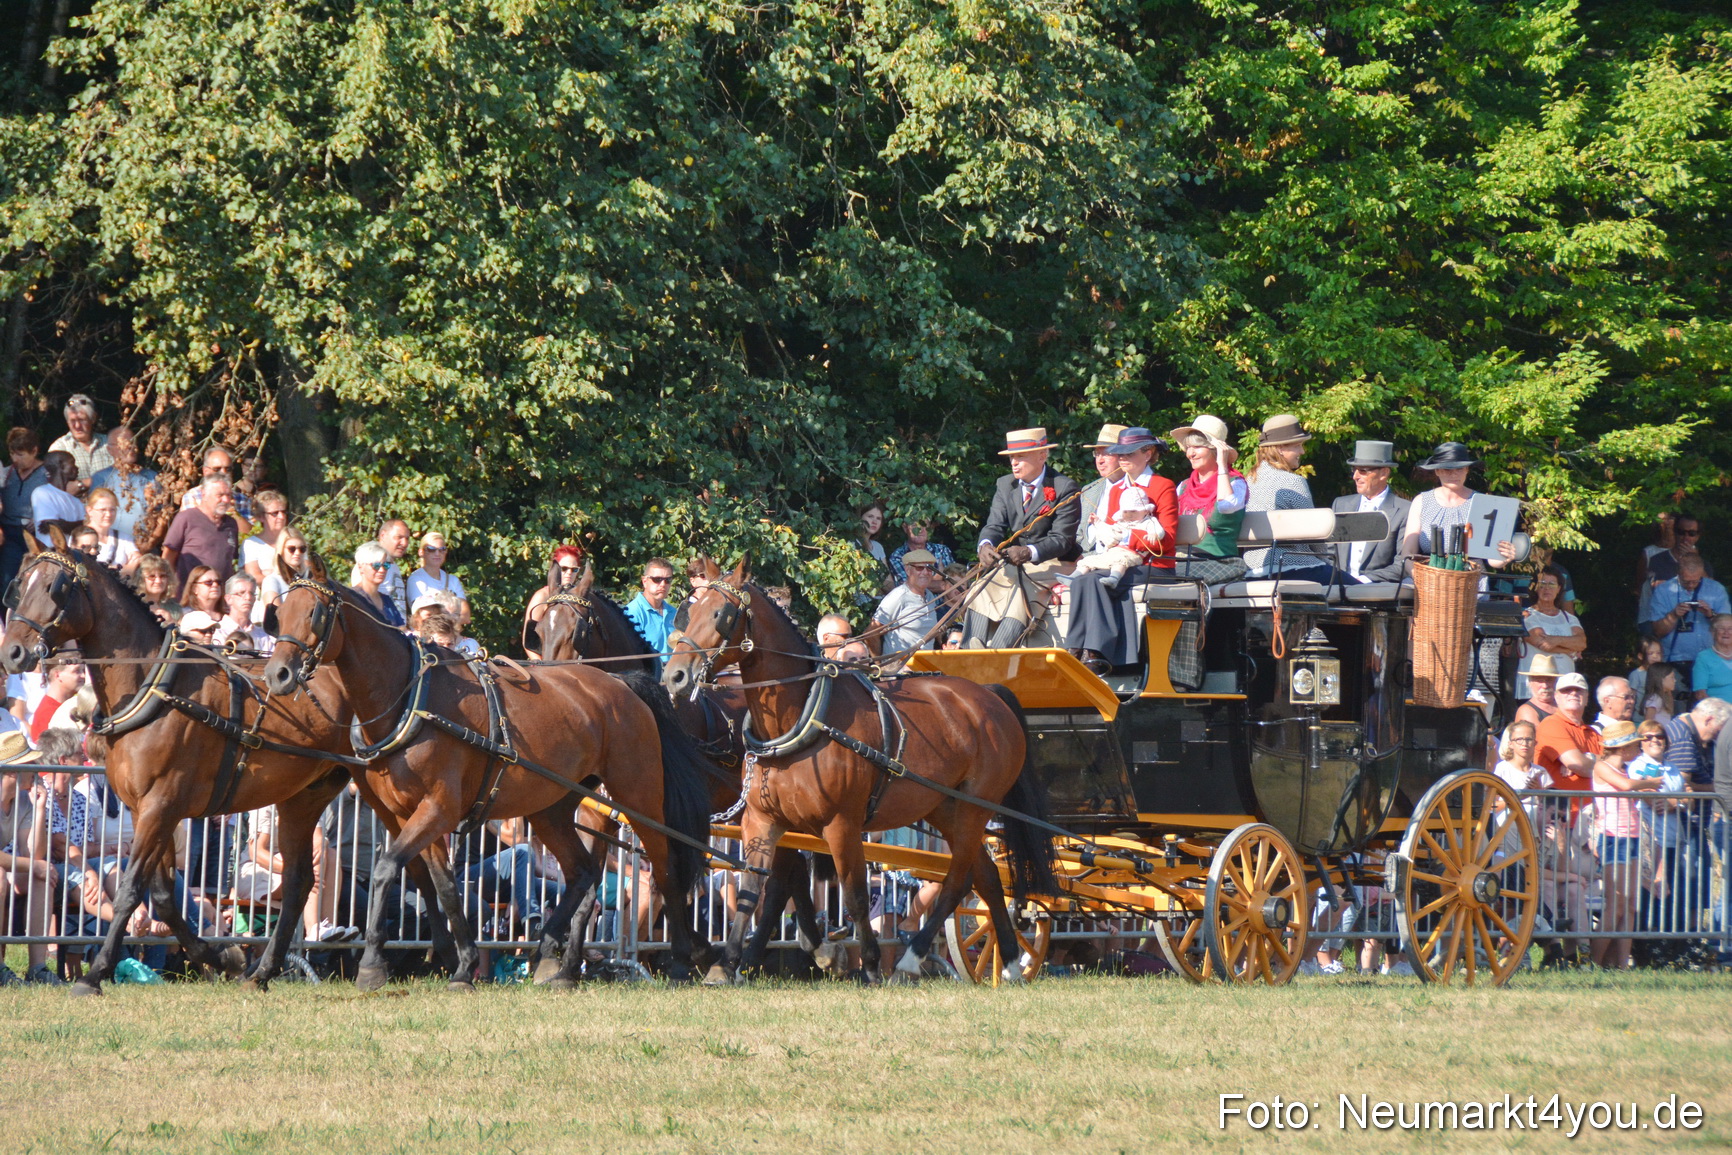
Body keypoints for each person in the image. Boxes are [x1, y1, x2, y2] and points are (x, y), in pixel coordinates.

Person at [1064, 427, 1180, 673]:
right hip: (1119, 560)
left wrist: (1127, 537)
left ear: (1147, 454)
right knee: (1081, 580)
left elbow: (1167, 539)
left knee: (1094, 580)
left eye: (1129, 453)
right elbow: (1111, 533)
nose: (1122, 458)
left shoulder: (1163, 486)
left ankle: (1096, 652)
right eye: (1120, 453)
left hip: (1155, 565)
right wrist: (1104, 531)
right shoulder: (1117, 489)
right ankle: (1075, 648)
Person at [965, 428, 1081, 649]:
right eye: (1011, 457)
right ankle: (972, 647)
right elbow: (994, 525)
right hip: (1017, 562)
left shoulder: (1065, 487)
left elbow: (1062, 539)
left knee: (1022, 587)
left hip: (1057, 562)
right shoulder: (1005, 484)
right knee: (982, 583)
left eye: (1020, 456)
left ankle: (999, 650)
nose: (1014, 463)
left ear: (1042, 455)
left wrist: (1029, 552)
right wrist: (985, 545)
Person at [1590, 721, 1662, 970]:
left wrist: (1647, 785)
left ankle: (1621, 966)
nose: (1639, 749)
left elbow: (1631, 788)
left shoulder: (1625, 770)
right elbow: (1626, 787)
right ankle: (1593, 963)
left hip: (1631, 837)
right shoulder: (1602, 766)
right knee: (1616, 904)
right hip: (1613, 838)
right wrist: (1651, 782)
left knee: (1630, 905)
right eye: (1635, 745)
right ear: (1622, 748)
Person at [1242, 415, 1336, 581]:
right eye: (1297, 446)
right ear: (1280, 448)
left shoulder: (1247, 481)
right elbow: (1314, 534)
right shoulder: (1293, 482)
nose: (1302, 451)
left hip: (1253, 570)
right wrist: (1327, 563)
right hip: (1294, 566)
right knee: (1356, 589)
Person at [1399, 442, 1518, 569]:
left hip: (1471, 576)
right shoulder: (1421, 501)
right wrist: (1416, 575)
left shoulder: (1482, 503)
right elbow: (1408, 553)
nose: (1454, 474)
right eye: (1447, 470)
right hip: (1430, 575)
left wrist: (1504, 556)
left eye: (1459, 469)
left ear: (1467, 470)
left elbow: (1492, 559)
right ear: (1437, 471)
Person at [1166, 415, 1249, 584]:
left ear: (1215, 450)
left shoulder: (1236, 483)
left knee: (1174, 577)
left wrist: (1222, 465)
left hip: (1220, 561)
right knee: (1149, 573)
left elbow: (1226, 505)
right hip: (1182, 558)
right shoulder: (1183, 486)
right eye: (1188, 447)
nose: (1190, 453)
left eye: (1197, 447)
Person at [1643, 552, 1731, 688]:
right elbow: (1658, 632)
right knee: (1677, 699)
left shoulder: (1716, 589)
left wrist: (1710, 614)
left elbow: (1728, 628)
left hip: (1711, 659)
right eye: (1686, 581)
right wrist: (1673, 615)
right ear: (1678, 573)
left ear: (1702, 573)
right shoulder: (1663, 591)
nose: (1691, 585)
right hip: (1676, 660)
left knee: (1709, 700)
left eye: (1695, 581)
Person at [1330, 441, 1412, 585]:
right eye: (1354, 470)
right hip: (1337, 587)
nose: (1355, 476)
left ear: (1384, 473)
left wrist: (1363, 581)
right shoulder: (1340, 505)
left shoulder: (1405, 510)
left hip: (1378, 590)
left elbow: (1403, 563)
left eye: (1363, 471)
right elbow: (1328, 553)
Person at [1068, 486, 1163, 590]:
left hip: (1132, 553)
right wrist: (1097, 522)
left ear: (1145, 511)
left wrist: (1154, 534)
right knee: (1089, 560)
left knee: (1120, 561)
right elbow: (1110, 531)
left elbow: (1160, 531)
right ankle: (1072, 578)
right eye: (1125, 512)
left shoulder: (1148, 521)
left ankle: (1114, 578)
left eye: (1133, 511)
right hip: (1113, 552)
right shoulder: (1121, 523)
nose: (1129, 515)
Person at [1517, 566, 1583, 698]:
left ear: (1559, 588)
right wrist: (1571, 650)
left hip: (1564, 688)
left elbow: (1581, 643)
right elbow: (1543, 644)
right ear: (1535, 588)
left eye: (1552, 584)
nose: (1547, 588)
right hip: (1535, 690)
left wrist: (1555, 640)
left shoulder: (1569, 618)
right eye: (1542, 583)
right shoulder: (1527, 616)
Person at [160, 476, 242, 584]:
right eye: (220, 495)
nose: (226, 500)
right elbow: (168, 556)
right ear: (204, 495)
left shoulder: (231, 524)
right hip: (189, 591)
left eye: (228, 495)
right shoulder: (186, 518)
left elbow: (230, 560)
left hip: (220, 591)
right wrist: (171, 586)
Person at [1534, 672, 1600, 795]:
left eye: (1579, 690)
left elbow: (1616, 764)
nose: (1573, 693)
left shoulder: (1593, 733)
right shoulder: (1551, 724)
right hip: (1559, 806)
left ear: (1587, 697)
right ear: (1556, 697)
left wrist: (1588, 757)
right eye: (1566, 690)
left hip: (1595, 806)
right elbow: (1578, 764)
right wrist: (1603, 768)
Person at [872, 548, 942, 661]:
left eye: (929, 568)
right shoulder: (897, 597)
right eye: (919, 568)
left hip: (925, 667)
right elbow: (871, 633)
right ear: (908, 570)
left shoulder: (929, 596)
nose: (925, 572)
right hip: (900, 669)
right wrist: (878, 665)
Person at [89, 425, 157, 541]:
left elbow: (162, 516)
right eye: (123, 443)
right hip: (113, 545)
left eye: (132, 442)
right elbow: (94, 517)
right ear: (110, 450)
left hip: (145, 544)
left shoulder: (151, 477)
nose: (130, 447)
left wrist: (150, 543)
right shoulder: (101, 478)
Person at [0, 427, 48, 592]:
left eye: (20, 455)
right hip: (10, 533)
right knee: (7, 581)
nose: (15, 459)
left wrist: (41, 516)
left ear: (34, 451)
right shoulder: (6, 473)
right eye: (12, 454)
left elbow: (57, 500)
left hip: (35, 535)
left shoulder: (47, 475)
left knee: (34, 582)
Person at [1075, 423, 1127, 557]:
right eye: (1097, 454)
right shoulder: (1089, 490)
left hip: (1119, 560)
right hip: (1083, 558)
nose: (1100, 460)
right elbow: (1079, 533)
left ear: (1124, 456)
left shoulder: (1137, 490)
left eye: (1107, 454)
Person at [522, 545, 583, 660]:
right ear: (555, 569)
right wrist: (540, 664)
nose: (569, 573)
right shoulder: (542, 596)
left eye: (574, 569)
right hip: (544, 663)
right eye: (564, 568)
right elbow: (528, 639)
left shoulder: (580, 599)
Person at [48, 394, 111, 497]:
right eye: (72, 421)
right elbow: (56, 490)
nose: (77, 426)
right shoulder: (59, 448)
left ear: (93, 418)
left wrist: (81, 484)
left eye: (82, 420)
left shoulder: (109, 443)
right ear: (67, 422)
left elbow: (123, 477)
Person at [1662, 697, 1730, 793]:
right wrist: (1718, 788)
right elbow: (1682, 786)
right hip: (1697, 802)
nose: (1718, 737)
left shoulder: (1681, 728)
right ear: (1709, 720)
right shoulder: (1683, 739)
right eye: (1718, 732)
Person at [622, 558, 679, 671]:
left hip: (674, 675)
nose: (663, 584)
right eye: (657, 579)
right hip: (648, 676)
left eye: (668, 580)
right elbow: (631, 656)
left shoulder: (674, 613)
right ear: (644, 581)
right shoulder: (631, 613)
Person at [176, 446, 254, 528]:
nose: (223, 473)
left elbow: (254, 533)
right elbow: (193, 530)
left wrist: (233, 513)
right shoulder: (193, 496)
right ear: (205, 471)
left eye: (228, 469)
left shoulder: (242, 500)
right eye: (217, 469)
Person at [407, 531, 471, 627]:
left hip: (451, 635)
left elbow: (466, 616)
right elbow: (422, 617)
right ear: (421, 552)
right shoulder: (416, 579)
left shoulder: (453, 580)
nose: (437, 553)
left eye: (442, 549)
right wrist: (452, 618)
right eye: (431, 549)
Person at [30, 451, 85, 546]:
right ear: (61, 466)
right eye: (72, 463)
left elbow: (85, 528)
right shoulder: (42, 492)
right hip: (51, 552)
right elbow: (52, 527)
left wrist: (61, 524)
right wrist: (79, 524)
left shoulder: (76, 501)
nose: (77, 468)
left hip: (73, 553)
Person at [82, 487, 140, 576]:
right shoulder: (80, 537)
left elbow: (138, 559)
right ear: (89, 510)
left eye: (112, 510)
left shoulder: (124, 538)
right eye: (103, 510)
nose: (108, 514)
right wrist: (127, 569)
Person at [240, 490, 290, 588]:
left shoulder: (293, 540)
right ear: (261, 517)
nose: (282, 516)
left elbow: (304, 571)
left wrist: (268, 574)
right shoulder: (251, 544)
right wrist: (283, 576)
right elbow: (253, 578)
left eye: (284, 512)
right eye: (275, 513)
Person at [350, 541, 407, 628]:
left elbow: (401, 629)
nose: (382, 570)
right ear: (361, 567)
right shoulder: (353, 598)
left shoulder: (387, 600)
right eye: (376, 565)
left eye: (386, 565)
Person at [29, 658, 85, 744]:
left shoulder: (76, 702)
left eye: (83, 670)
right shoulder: (46, 713)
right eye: (77, 671)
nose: (83, 676)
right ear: (58, 675)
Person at [213, 574, 272, 653]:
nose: (248, 597)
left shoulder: (262, 634)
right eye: (241, 593)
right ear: (228, 599)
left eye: (251, 593)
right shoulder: (218, 631)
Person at [886, 519, 956, 584]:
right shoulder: (898, 556)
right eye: (914, 525)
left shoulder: (942, 550)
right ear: (905, 528)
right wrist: (939, 578)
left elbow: (956, 581)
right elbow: (909, 586)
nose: (920, 530)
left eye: (924, 525)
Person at [1688, 614, 1732, 705]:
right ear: (1713, 632)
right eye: (1721, 628)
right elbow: (1700, 694)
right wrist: (1721, 710)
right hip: (1719, 711)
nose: (1726, 632)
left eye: (1730, 628)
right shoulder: (1703, 658)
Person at [374, 519, 412, 621]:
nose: (404, 543)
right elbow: (362, 600)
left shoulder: (393, 566)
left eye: (407, 538)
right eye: (399, 537)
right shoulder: (371, 563)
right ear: (383, 536)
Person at [1514, 654, 1562, 727]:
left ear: (1556, 681)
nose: (1545, 685)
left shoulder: (1563, 705)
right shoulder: (1526, 711)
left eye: (1549, 680)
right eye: (1540, 681)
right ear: (1530, 682)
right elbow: (1541, 734)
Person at [135, 554, 180, 623]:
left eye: (162, 576)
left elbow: (182, 629)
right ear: (140, 579)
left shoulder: (175, 608)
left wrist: (171, 622)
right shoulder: (133, 606)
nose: (158, 581)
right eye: (152, 576)